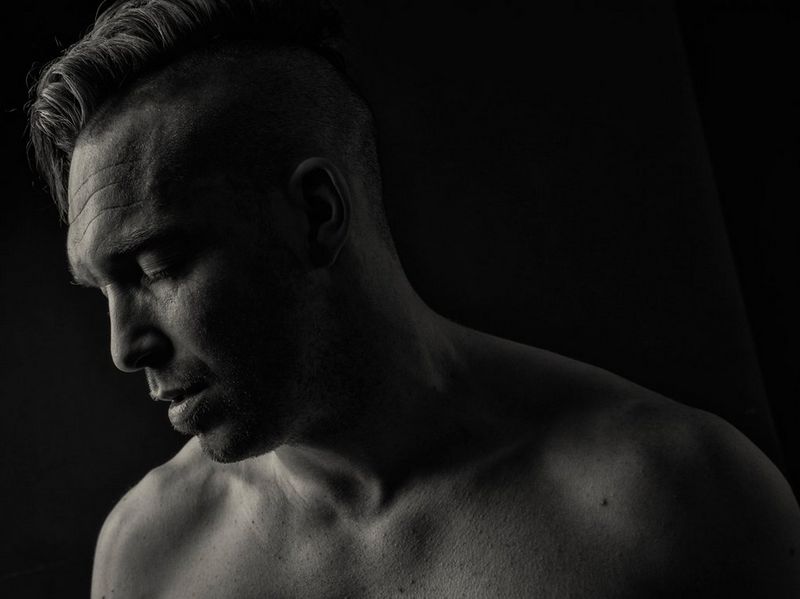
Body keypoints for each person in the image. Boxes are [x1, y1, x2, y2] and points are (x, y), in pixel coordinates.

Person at [28, 0, 800, 597]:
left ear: (316, 214)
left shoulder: (676, 501)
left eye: (157, 265)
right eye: (103, 288)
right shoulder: (147, 554)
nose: (124, 346)